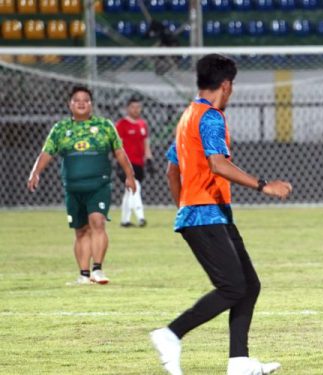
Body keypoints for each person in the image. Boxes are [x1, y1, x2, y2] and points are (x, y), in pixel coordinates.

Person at [149, 54, 292, 375]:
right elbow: (218, 163)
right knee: (232, 287)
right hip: (205, 214)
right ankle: (171, 334)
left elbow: (173, 171)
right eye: (233, 86)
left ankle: (239, 362)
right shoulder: (211, 117)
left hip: (209, 213)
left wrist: (183, 205)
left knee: (249, 285)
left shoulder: (188, 115)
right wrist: (263, 185)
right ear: (225, 85)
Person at [27, 85, 136, 285]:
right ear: (70, 104)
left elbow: (119, 152)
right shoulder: (60, 129)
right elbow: (47, 152)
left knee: (98, 222)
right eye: (76, 100)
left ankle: (98, 270)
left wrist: (130, 175)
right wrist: (36, 172)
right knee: (80, 230)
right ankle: (84, 275)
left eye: (85, 100)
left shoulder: (104, 126)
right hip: (73, 188)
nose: (81, 103)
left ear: (91, 104)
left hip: (98, 186)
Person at [115, 96, 154, 228]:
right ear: (127, 108)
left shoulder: (143, 124)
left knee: (129, 191)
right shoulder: (121, 124)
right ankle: (141, 217)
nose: (136, 110)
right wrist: (118, 162)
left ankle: (125, 220)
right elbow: (116, 145)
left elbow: (146, 143)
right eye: (133, 107)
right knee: (134, 187)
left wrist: (149, 159)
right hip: (126, 163)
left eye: (138, 107)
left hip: (138, 163)